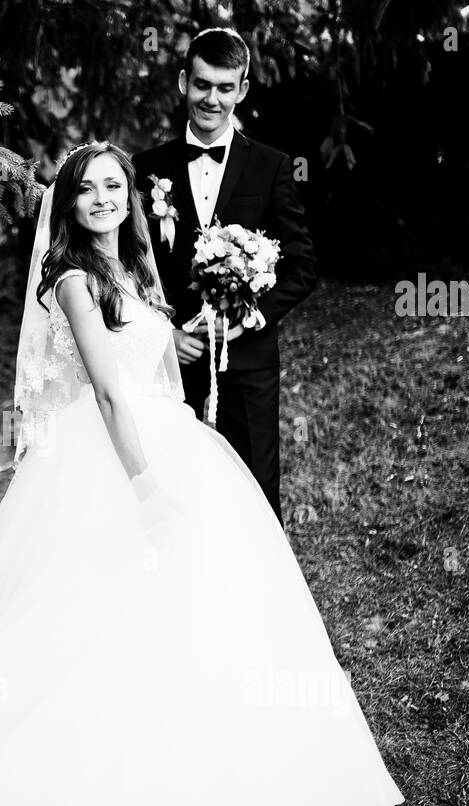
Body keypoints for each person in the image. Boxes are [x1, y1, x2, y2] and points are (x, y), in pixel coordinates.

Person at [0, 141, 402, 806]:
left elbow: (151, 362)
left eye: (114, 185)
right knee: (86, 612)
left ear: (129, 195)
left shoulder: (134, 270)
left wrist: (196, 328)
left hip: (168, 433)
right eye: (87, 189)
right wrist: (144, 482)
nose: (103, 198)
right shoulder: (74, 277)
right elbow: (109, 390)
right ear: (70, 204)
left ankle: (208, 763)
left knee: (197, 603)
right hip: (109, 451)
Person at [135, 27, 318, 525]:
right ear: (182, 83)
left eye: (223, 87)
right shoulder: (146, 169)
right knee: (177, 498)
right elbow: (128, 271)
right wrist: (162, 335)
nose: (210, 99)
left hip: (249, 366)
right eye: (201, 85)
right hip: (172, 370)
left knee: (255, 499)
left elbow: (303, 267)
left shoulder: (272, 167)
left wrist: (252, 320)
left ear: (242, 90)